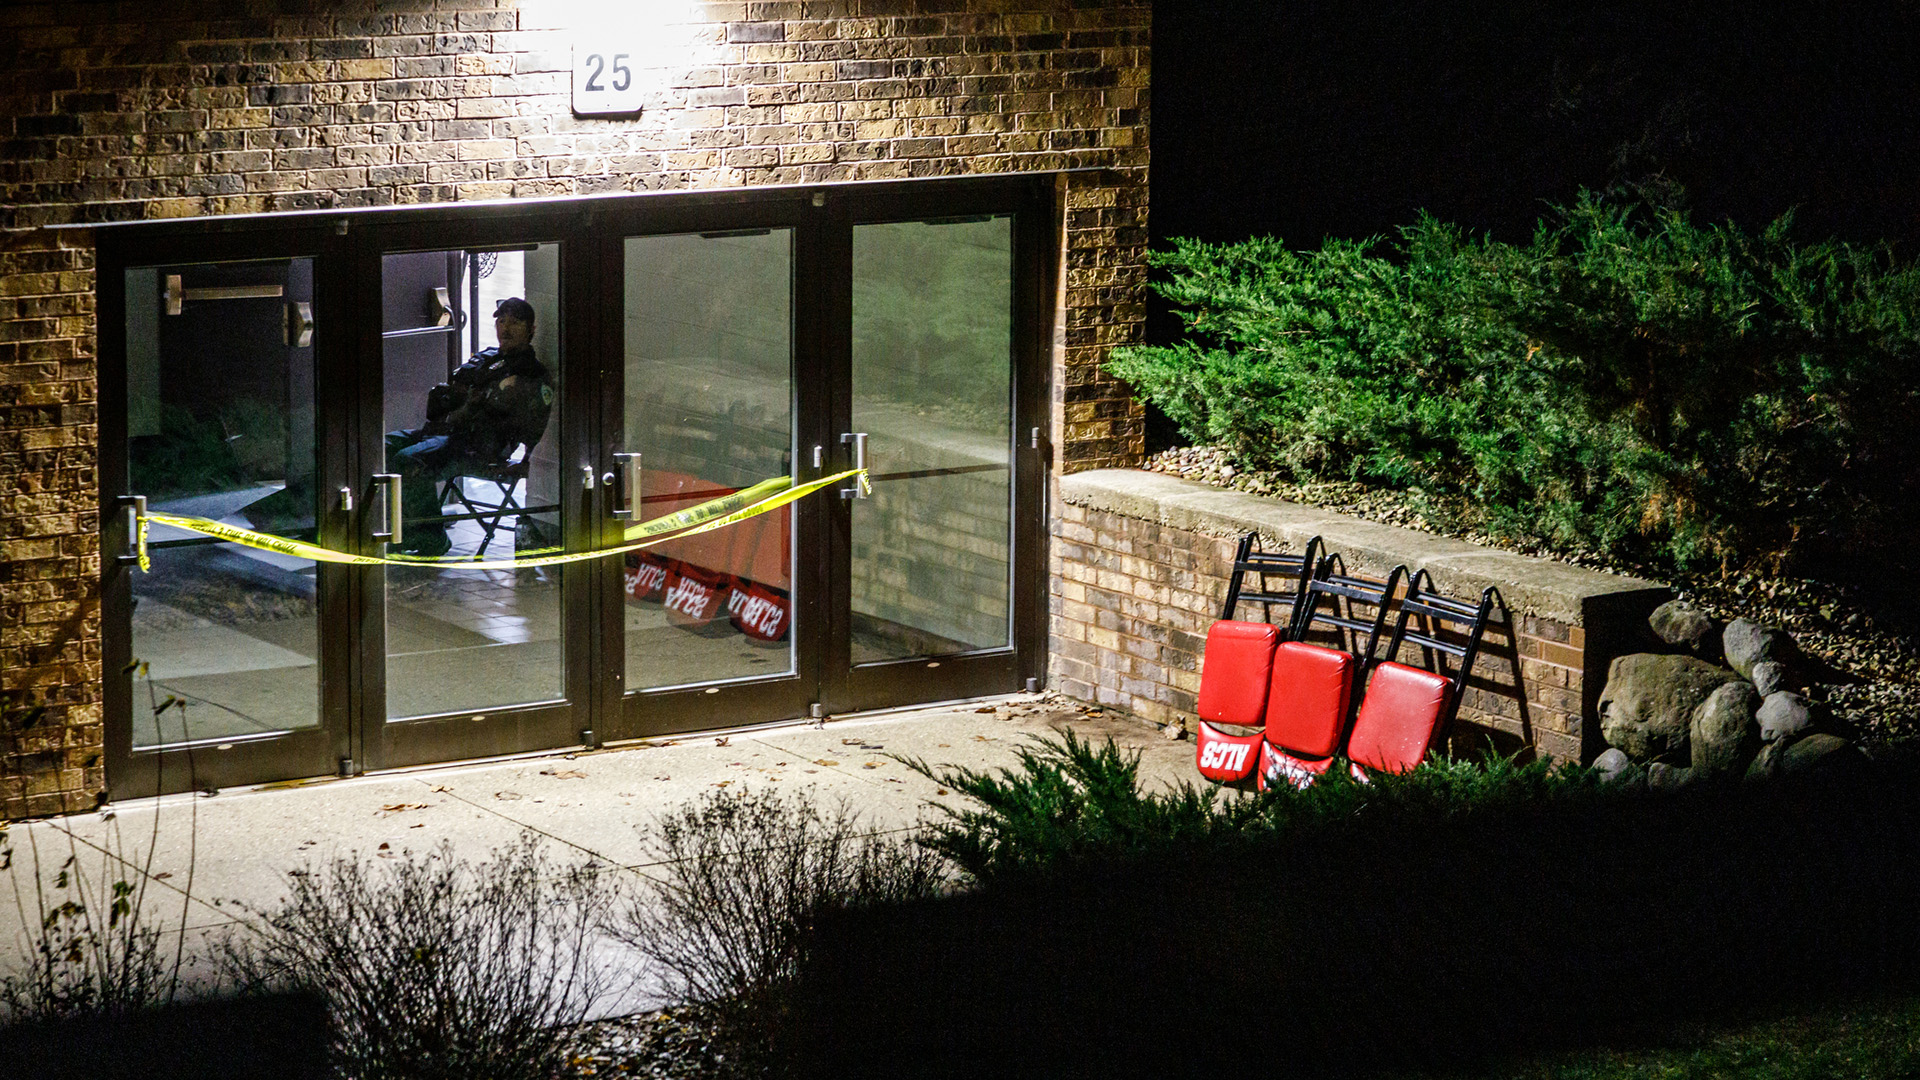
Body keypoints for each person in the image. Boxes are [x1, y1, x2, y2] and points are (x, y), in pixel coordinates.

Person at [385, 296, 554, 557]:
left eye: (515, 322)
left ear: (531, 330)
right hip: (445, 432)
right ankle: (402, 529)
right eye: (501, 320)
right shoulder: (488, 358)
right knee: (380, 447)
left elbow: (534, 425)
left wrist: (526, 461)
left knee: (410, 461)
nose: (505, 328)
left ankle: (431, 537)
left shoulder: (531, 374)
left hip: (478, 448)